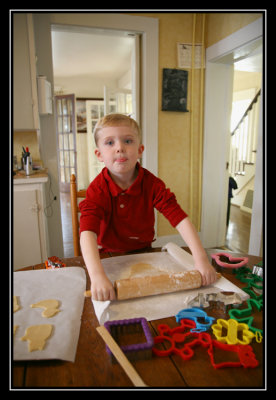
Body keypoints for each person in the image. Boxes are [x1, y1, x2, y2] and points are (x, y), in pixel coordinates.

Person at [79, 114, 217, 301]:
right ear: (99, 155)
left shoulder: (152, 184)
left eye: (128, 141)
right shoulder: (97, 189)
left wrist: (200, 259)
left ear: (140, 150)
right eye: (110, 143)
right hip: (107, 256)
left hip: (144, 251)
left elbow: (179, 218)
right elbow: (87, 231)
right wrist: (96, 276)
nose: (120, 148)